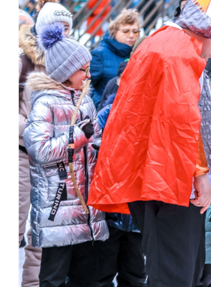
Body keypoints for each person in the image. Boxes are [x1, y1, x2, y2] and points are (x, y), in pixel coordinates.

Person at [89, 0, 211, 287]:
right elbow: (180, 121)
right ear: (207, 27)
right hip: (170, 179)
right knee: (175, 273)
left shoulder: (160, 41)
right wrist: (200, 175)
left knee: (168, 267)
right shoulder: (178, 53)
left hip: (151, 173)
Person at [24, 23, 109, 286]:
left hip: (86, 208)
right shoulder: (45, 103)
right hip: (57, 209)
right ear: (65, 71)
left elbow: (95, 138)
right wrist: (76, 137)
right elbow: (39, 151)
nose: (88, 74)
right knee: (53, 277)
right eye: (83, 69)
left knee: (86, 277)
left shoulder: (84, 100)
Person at [18, 0, 73, 287]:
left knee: (44, 233)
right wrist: (34, 128)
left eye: (68, 28)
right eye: (59, 27)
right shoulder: (24, 63)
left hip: (55, 160)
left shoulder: (72, 64)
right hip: (23, 154)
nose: (64, 34)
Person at [95, 59, 147, 287]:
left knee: (135, 275)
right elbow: (92, 147)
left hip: (139, 213)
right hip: (108, 211)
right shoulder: (108, 113)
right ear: (119, 82)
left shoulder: (153, 114)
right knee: (101, 274)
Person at [90, 10, 141, 106]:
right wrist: (102, 105)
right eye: (126, 31)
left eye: (135, 32)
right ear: (114, 32)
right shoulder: (99, 55)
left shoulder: (139, 54)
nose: (131, 35)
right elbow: (87, 86)